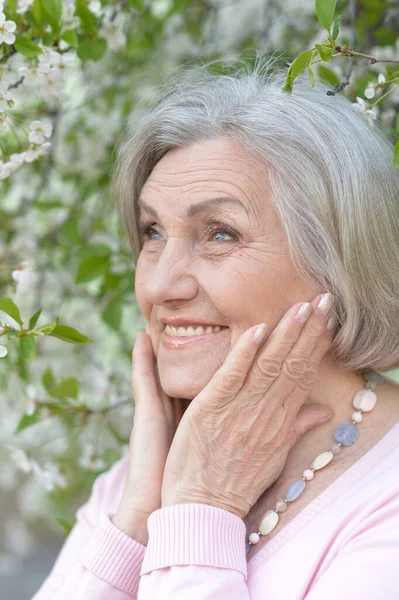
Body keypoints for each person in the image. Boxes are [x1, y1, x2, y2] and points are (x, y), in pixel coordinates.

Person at [32, 54, 399, 600]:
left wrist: (203, 510)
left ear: (337, 260)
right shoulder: (146, 472)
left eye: (219, 234)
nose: (159, 287)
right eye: (152, 231)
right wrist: (136, 522)